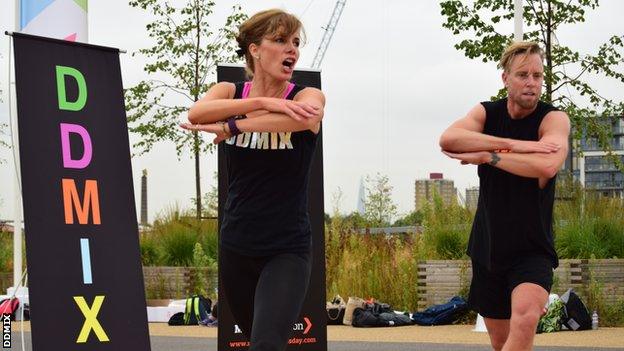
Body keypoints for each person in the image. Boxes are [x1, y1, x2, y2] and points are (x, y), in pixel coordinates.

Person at [180, 9, 325, 351]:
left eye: (295, 42)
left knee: (266, 344)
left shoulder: (306, 96)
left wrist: (233, 124)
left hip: (287, 248)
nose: (292, 49)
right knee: (257, 342)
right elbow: (196, 114)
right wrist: (258, 101)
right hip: (237, 246)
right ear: (255, 50)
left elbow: (306, 119)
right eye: (279, 40)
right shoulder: (229, 90)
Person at [439, 41, 570, 351]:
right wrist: (515, 145)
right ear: (505, 78)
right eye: (523, 75)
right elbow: (449, 139)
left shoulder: (553, 119)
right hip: (489, 248)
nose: (532, 83)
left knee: (525, 321)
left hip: (532, 249)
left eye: (538, 76)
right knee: (503, 344)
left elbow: (548, 164)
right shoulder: (487, 112)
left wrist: (488, 156)